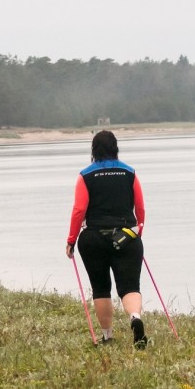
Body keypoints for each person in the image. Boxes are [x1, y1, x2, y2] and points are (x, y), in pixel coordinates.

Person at [65, 130, 148, 349]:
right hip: (127, 237)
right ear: (116, 148)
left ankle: (107, 336)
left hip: (93, 238)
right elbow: (140, 206)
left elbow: (79, 210)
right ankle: (135, 317)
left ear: (93, 151)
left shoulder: (85, 175)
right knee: (130, 286)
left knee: (101, 287)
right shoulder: (130, 173)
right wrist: (139, 229)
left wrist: (71, 239)